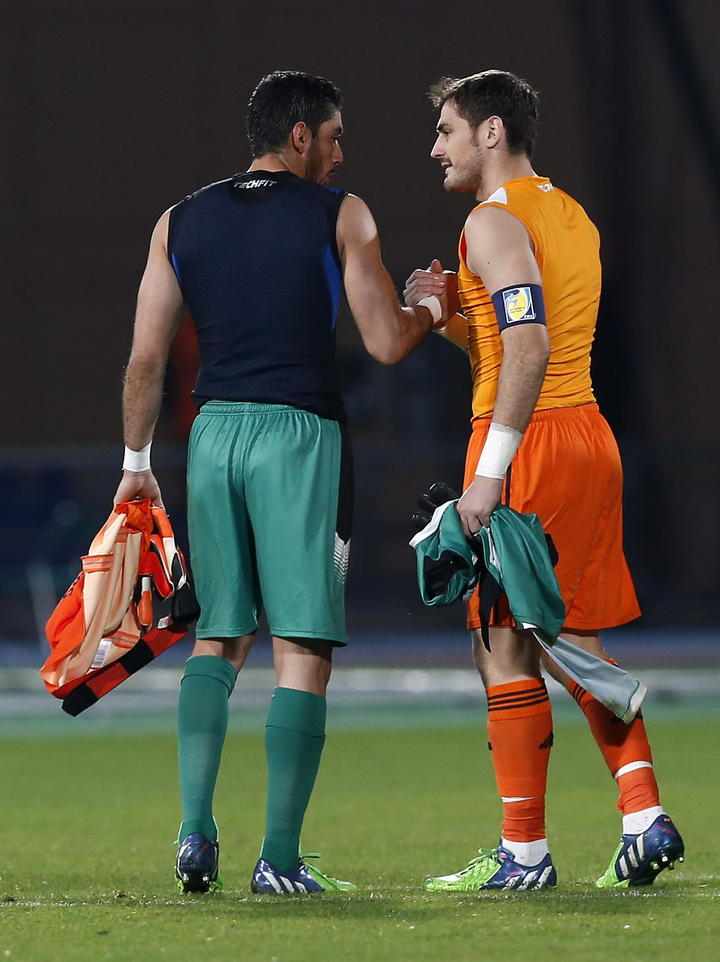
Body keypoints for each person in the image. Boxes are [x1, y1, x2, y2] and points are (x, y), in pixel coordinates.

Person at [114, 70, 435, 895]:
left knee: (218, 636)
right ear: (299, 136)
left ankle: (194, 834)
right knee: (303, 646)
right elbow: (385, 343)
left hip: (212, 434)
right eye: (333, 138)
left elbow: (147, 358)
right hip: (300, 436)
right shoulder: (342, 213)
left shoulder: (178, 220)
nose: (338, 154)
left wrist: (135, 467)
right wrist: (428, 306)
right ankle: (279, 860)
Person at [404, 69, 684, 891]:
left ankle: (524, 853)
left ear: (491, 133)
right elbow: (522, 337)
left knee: (504, 644)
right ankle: (642, 816)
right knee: (571, 635)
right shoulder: (572, 216)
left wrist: (488, 475)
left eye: (448, 131)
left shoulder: (490, 222)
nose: (437, 148)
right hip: (589, 435)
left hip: (527, 446)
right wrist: (451, 314)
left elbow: (526, 353)